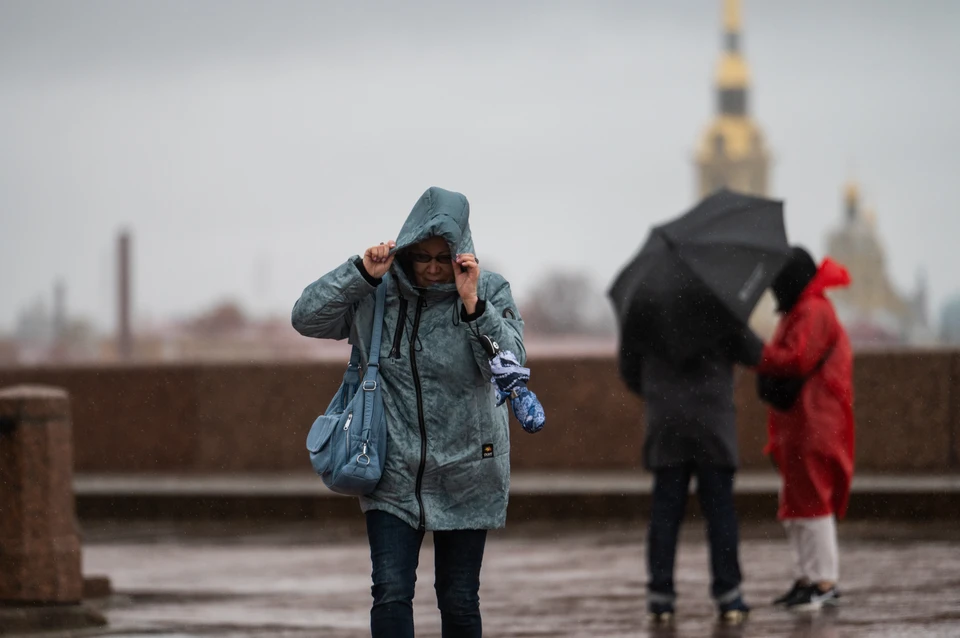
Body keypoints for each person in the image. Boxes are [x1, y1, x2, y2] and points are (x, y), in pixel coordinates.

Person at [291, 187, 525, 638]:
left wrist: (474, 305)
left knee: (458, 598)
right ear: (407, 249)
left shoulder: (489, 290)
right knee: (391, 590)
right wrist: (360, 273)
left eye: (444, 257)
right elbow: (306, 318)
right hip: (391, 469)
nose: (434, 268)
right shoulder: (378, 292)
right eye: (423, 256)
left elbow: (508, 365)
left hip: (468, 470)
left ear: (462, 253)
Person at [619, 320, 762, 625]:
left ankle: (661, 598)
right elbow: (755, 353)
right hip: (713, 424)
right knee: (720, 512)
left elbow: (630, 371)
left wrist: (661, 392)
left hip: (666, 423)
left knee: (665, 514)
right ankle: (729, 597)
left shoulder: (649, 310)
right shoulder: (719, 307)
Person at [756, 246, 854, 612]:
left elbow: (797, 359)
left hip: (815, 421)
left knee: (813, 504)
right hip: (797, 423)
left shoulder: (813, 310)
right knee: (796, 506)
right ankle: (806, 578)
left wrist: (756, 354)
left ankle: (824, 582)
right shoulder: (800, 309)